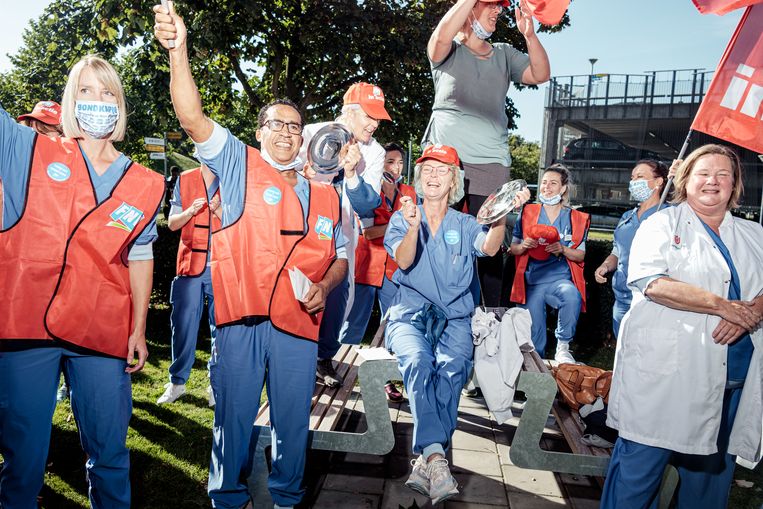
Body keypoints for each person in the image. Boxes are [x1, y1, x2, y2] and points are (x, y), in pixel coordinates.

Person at [154, 5, 348, 508]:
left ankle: (285, 498)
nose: (287, 132)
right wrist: (179, 53)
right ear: (259, 131)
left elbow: (342, 256)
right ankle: (228, 498)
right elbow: (191, 117)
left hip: (300, 327)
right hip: (241, 324)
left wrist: (325, 287)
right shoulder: (238, 164)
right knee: (234, 420)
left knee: (291, 423)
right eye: (277, 124)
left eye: (295, 127)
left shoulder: (326, 194)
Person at [0, 55, 164, 509]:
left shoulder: (144, 182)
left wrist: (138, 328)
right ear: (71, 100)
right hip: (27, 327)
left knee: (110, 450)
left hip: (100, 325)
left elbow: (141, 255)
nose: (97, 101)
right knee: (23, 458)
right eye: (86, 91)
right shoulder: (26, 149)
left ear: (120, 105)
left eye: (108, 92)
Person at [601, 144, 763, 509]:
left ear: (735, 185)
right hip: (668, 376)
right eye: (704, 173)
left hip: (733, 381)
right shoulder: (661, 222)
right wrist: (723, 307)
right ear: (686, 179)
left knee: (709, 483)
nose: (713, 181)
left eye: (724, 174)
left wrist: (753, 309)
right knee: (638, 474)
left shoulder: (755, 235)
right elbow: (652, 282)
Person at [384, 144, 509, 505]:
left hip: (455, 318)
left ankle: (425, 459)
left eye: (442, 170)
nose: (433, 175)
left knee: (453, 368)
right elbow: (404, 261)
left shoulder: (466, 222)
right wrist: (412, 228)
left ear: (455, 179)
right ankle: (438, 457)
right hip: (410, 315)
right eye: (427, 169)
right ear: (419, 177)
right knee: (419, 363)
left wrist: (499, 217)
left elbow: (487, 248)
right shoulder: (404, 216)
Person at [424, 0, 550, 306]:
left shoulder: (504, 54)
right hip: (446, 163)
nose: (498, 12)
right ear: (469, 10)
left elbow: (540, 74)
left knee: (491, 244)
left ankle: (491, 318)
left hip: (490, 164)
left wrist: (530, 36)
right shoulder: (448, 50)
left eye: (500, 7)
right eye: (491, 5)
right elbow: (441, 37)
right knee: (437, 237)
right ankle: (432, 306)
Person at [299, 82, 392, 388]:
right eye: (370, 116)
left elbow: (368, 204)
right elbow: (283, 175)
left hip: (342, 235)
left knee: (339, 298)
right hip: (302, 233)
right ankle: (293, 358)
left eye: (378, 118)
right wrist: (306, 175)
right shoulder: (311, 133)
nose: (374, 124)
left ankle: (324, 358)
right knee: (295, 295)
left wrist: (352, 174)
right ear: (350, 112)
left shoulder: (374, 152)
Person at [338, 142, 416, 401]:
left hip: (394, 268)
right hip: (367, 264)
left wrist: (401, 224)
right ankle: (340, 370)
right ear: (380, 163)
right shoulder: (368, 190)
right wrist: (399, 221)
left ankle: (385, 379)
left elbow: (417, 227)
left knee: (390, 325)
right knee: (354, 323)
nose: (395, 167)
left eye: (399, 163)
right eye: (390, 161)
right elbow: (368, 232)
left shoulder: (409, 192)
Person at [15, 101, 70, 403]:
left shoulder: (72, 165)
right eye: (36, 125)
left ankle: (69, 379)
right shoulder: (18, 160)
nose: (40, 132)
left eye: (48, 127)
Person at [509, 164, 589, 363]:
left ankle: (563, 346)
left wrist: (563, 249)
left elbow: (580, 255)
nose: (546, 187)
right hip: (532, 282)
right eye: (544, 182)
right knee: (534, 339)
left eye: (553, 183)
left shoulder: (574, 217)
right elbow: (513, 249)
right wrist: (525, 246)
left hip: (558, 280)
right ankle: (537, 373)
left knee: (571, 295)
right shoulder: (528, 212)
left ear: (563, 189)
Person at [157, 164, 221, 406]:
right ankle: (177, 382)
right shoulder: (186, 179)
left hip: (222, 266)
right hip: (190, 265)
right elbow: (172, 223)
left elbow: (244, 225)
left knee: (222, 331)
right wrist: (190, 212)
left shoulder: (234, 176)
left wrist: (220, 211)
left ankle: (215, 384)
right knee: (183, 327)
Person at [594, 159, 669, 338]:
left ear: (659, 182)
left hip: (651, 299)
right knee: (623, 351)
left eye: (640, 177)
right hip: (622, 297)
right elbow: (617, 251)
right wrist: (605, 266)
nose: (634, 182)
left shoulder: (669, 215)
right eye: (632, 178)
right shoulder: (627, 217)